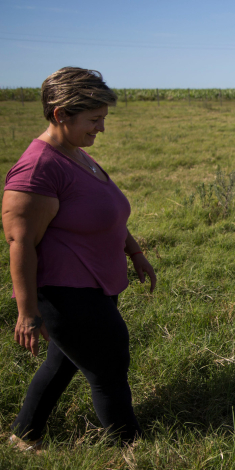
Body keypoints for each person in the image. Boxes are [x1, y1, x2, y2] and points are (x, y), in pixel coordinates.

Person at [2, 67, 156, 449]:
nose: (101, 128)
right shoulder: (38, 170)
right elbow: (19, 243)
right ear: (60, 115)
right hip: (67, 291)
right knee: (109, 366)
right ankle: (129, 446)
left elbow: (105, 212)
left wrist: (133, 251)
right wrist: (26, 311)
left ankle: (23, 436)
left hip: (96, 282)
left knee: (63, 362)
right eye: (94, 119)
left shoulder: (74, 154)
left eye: (102, 118)